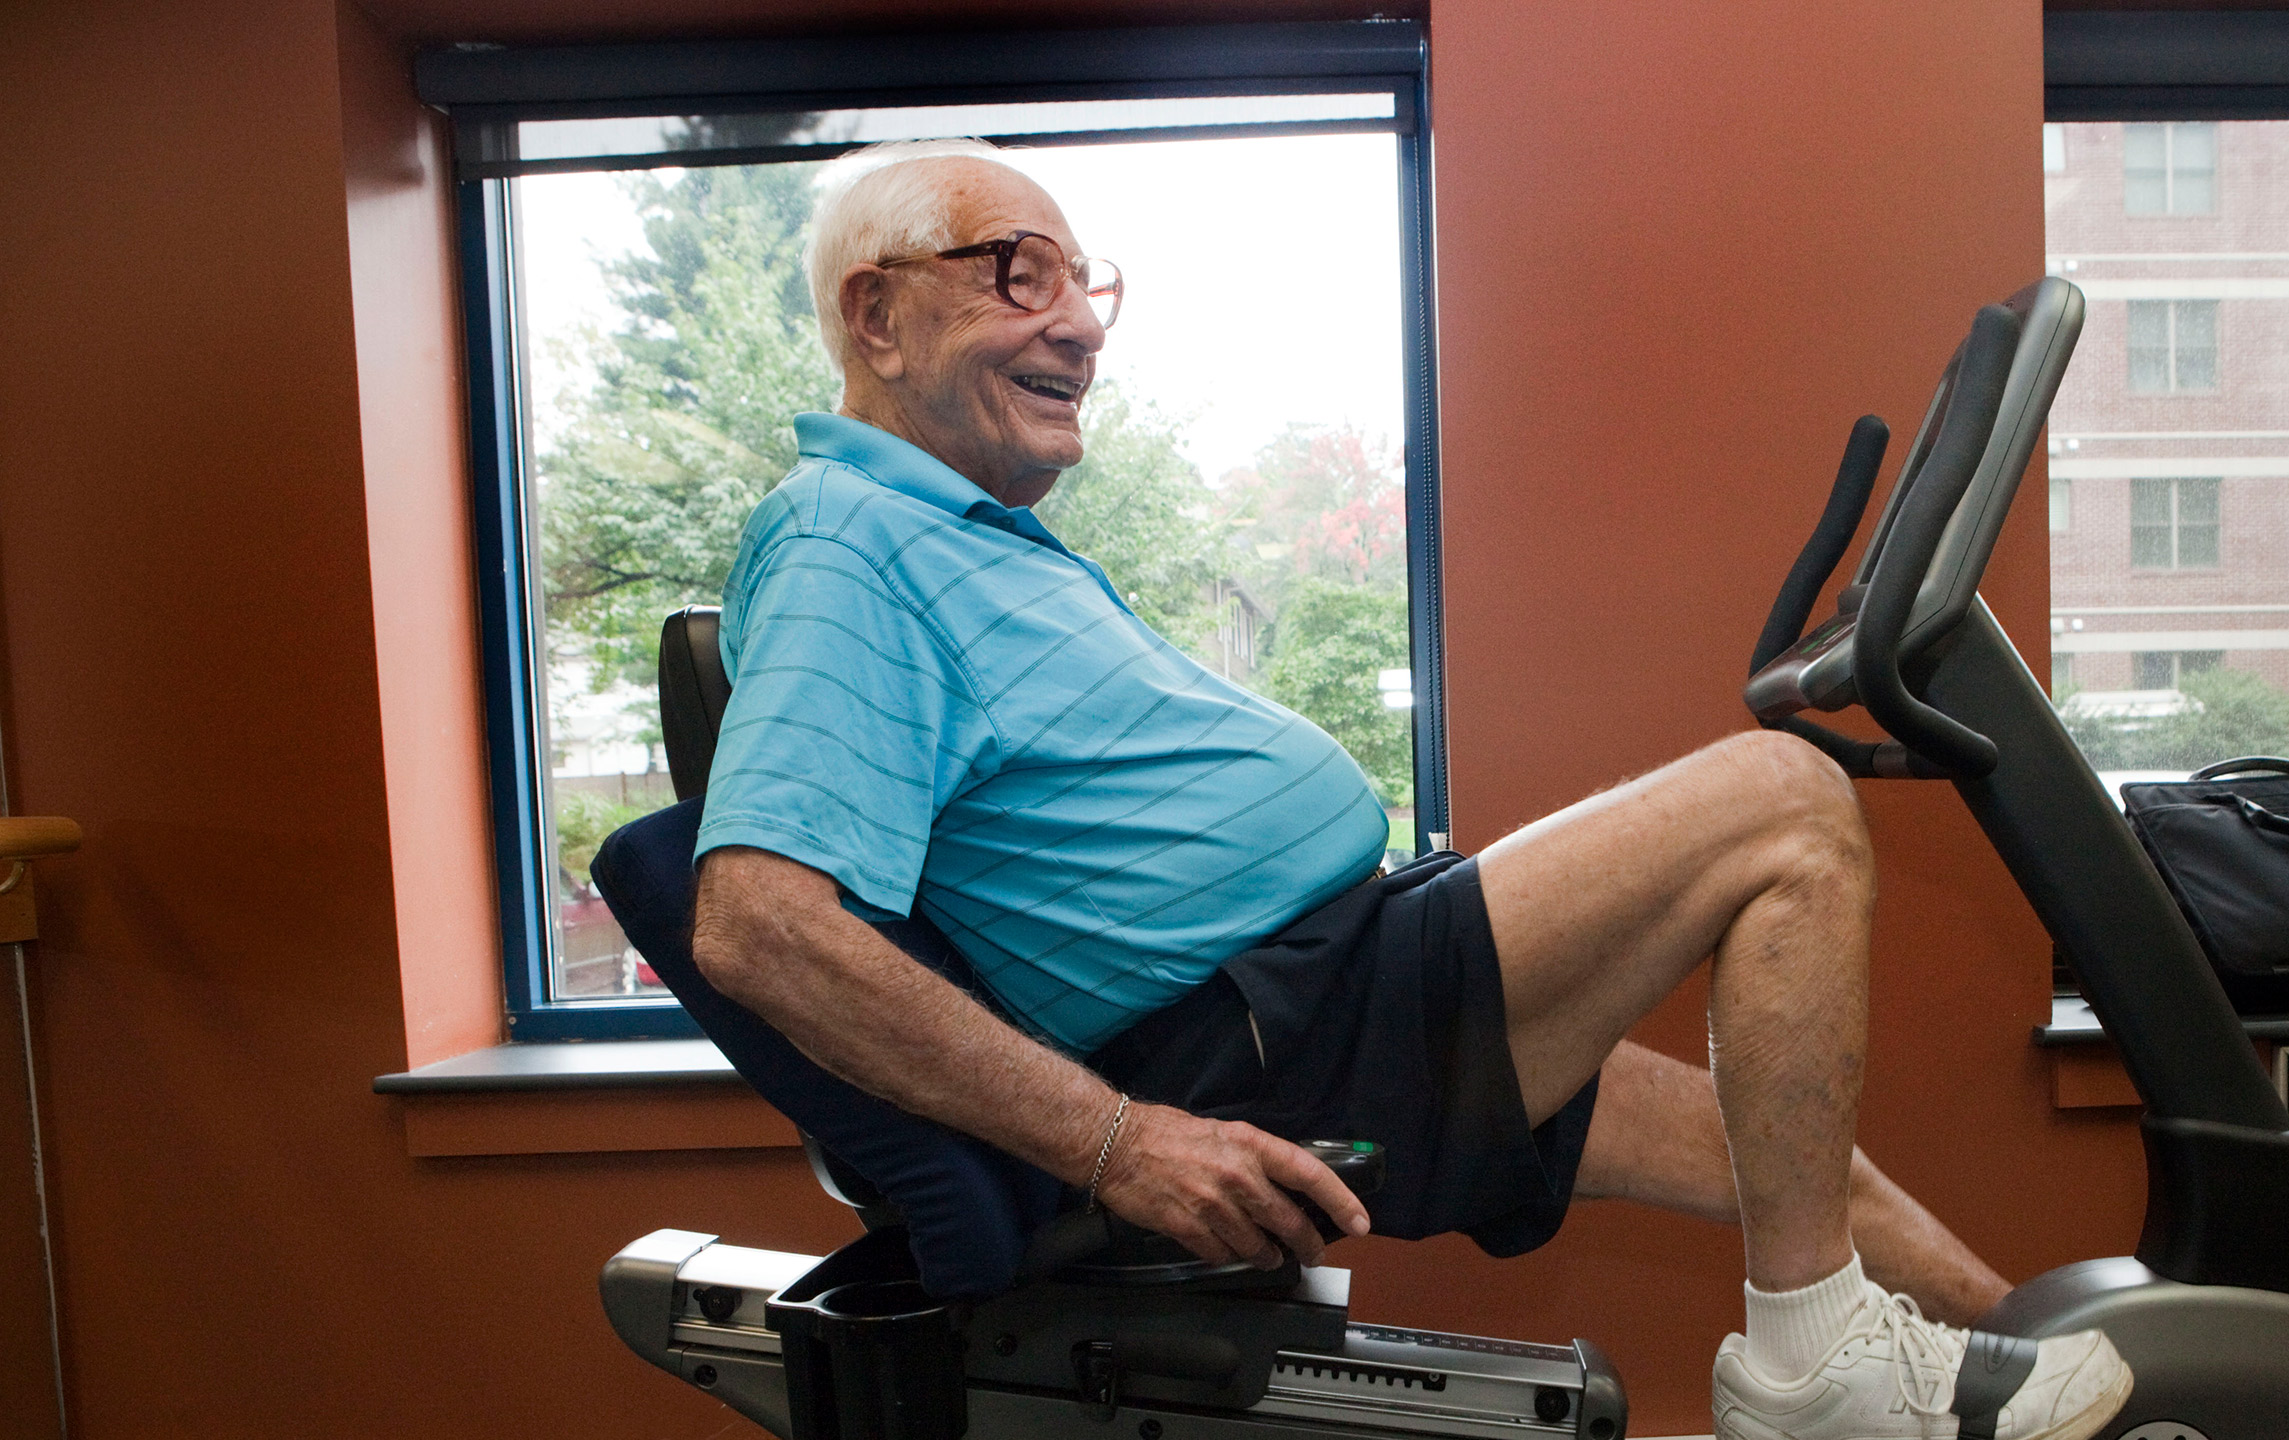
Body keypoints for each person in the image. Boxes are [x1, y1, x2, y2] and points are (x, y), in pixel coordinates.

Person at [683, 139, 2132, 1440]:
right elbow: (757, 923)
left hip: (1333, 979)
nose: (1076, 324)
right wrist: (1122, 1143)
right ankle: (1825, 1382)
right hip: (1278, 1039)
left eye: (1084, 284)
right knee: (1786, 806)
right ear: (875, 317)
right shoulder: (842, 540)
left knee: (1799, 1159)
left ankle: (2113, 1388)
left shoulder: (967, 535)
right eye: (1017, 275)